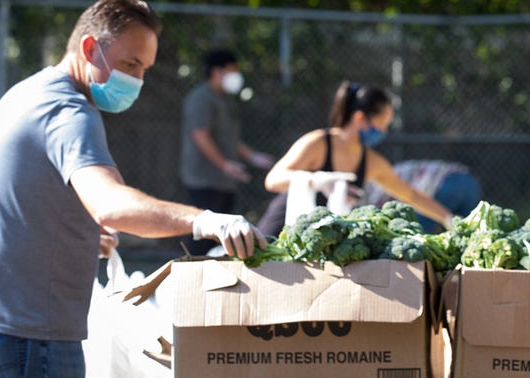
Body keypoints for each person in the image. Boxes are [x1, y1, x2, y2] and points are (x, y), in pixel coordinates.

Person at [0, 0, 265, 378]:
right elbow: (112, 205)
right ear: (89, 47)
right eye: (130, 64)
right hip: (30, 334)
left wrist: (64, 231)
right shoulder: (69, 112)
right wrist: (204, 220)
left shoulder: (24, 95)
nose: (136, 80)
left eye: (145, 69)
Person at [261, 81, 456, 233]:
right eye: (382, 123)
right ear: (360, 118)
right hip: (283, 229)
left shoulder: (371, 162)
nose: (384, 131)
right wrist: (318, 180)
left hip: (319, 241)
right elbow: (273, 180)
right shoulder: (318, 143)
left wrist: (449, 219)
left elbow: (411, 195)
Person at [179, 48, 275, 255]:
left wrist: (253, 157)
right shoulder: (201, 98)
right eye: (233, 70)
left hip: (224, 182)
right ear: (217, 71)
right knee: (203, 236)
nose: (236, 75)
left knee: (220, 238)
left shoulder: (226, 99)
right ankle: (188, 271)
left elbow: (231, 138)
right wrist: (224, 165)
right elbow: (200, 135)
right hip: (204, 180)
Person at [364, 159, 482, 232]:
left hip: (442, 186)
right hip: (468, 181)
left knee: (417, 233)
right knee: (468, 233)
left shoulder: (374, 186)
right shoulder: (388, 170)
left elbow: (410, 198)